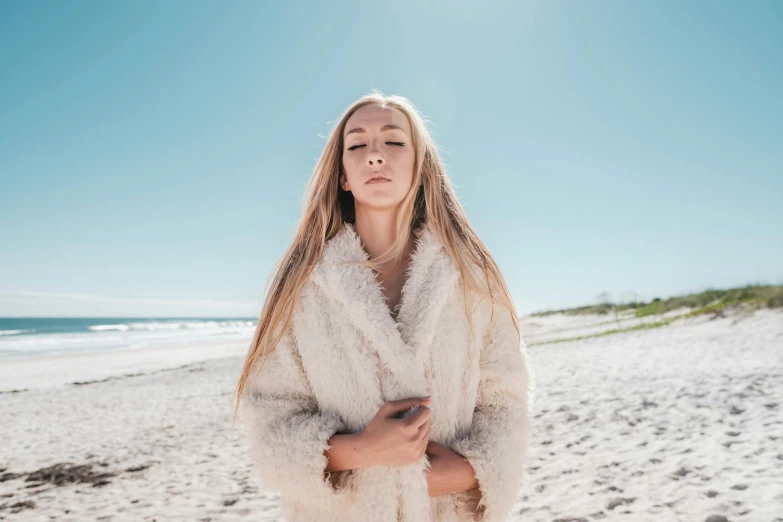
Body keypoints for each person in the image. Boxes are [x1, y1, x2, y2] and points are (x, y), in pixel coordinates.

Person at [232, 91, 534, 522]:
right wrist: (363, 450)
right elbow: (270, 423)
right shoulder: (302, 285)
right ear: (343, 177)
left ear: (421, 166)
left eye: (394, 142)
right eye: (357, 145)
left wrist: (467, 472)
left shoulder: (472, 278)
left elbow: (506, 406)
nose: (375, 155)